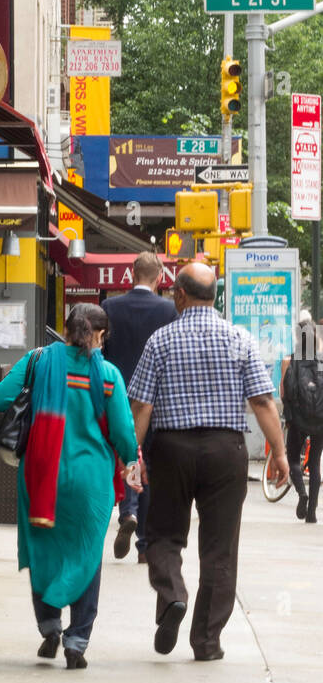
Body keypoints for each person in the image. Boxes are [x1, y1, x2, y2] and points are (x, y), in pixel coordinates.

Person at [128, 261, 289, 661]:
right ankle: (206, 641)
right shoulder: (239, 339)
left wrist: (134, 454)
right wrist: (280, 453)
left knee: (164, 535)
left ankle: (172, 596)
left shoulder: (160, 341)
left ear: (180, 295)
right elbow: (263, 401)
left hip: (171, 450)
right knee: (220, 549)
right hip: (225, 453)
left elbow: (142, 406)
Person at [0, 304, 141, 669]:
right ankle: (77, 641)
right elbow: (122, 432)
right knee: (86, 555)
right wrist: (132, 463)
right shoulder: (107, 375)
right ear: (101, 335)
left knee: (45, 548)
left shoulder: (37, 362)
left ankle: (49, 627)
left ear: (67, 328)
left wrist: (41, 402)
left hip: (42, 474)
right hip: (91, 481)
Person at [103, 250, 177, 562]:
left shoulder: (110, 306)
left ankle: (127, 511)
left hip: (117, 395)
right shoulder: (169, 310)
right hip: (154, 400)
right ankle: (145, 545)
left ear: (131, 275)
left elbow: (100, 348)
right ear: (159, 277)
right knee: (147, 466)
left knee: (127, 454)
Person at [281, 311, 323, 523]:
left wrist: (288, 415)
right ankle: (313, 513)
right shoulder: (321, 360)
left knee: (293, 459)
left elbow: (286, 390)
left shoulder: (293, 360)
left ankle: (301, 493)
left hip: (298, 419)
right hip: (320, 419)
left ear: (298, 337)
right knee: (315, 464)